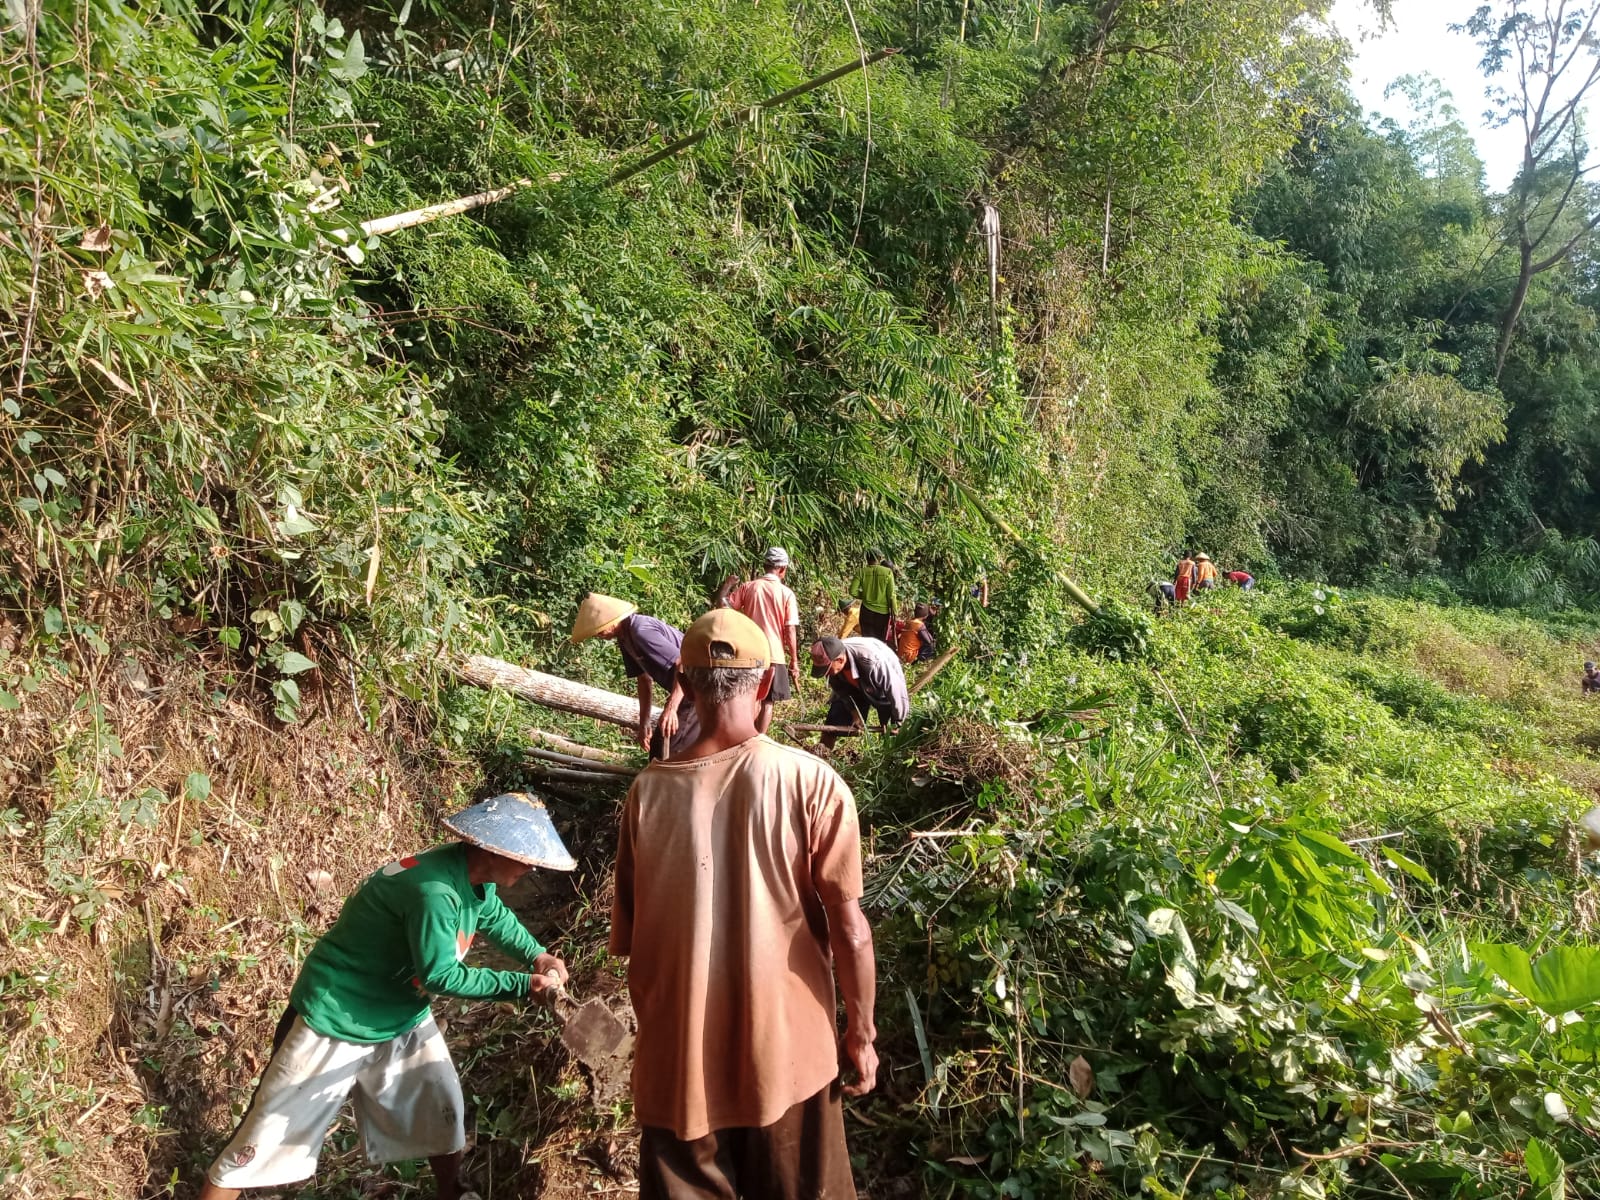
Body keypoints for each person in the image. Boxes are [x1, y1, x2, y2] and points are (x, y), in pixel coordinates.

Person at [610, 609, 877, 1200]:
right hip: (788, 1065)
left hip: (679, 1076)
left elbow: (634, 943)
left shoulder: (646, 794)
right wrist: (861, 1034)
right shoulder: (814, 783)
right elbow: (850, 930)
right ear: (762, 686)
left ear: (687, 683)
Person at [198, 795, 574, 1200]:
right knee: (262, 1136)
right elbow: (440, 975)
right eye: (526, 857)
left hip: (399, 1011)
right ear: (495, 851)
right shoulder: (433, 892)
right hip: (337, 1014)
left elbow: (493, 915)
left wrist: (537, 955)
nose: (532, 866)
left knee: (441, 1108)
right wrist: (522, 986)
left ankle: (454, 1191)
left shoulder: (469, 875)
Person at [570, 593, 699, 759]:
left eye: (600, 629)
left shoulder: (641, 631)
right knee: (658, 746)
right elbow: (643, 679)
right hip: (685, 690)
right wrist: (644, 723)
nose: (598, 634)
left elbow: (684, 663)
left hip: (698, 686)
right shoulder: (625, 639)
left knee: (674, 750)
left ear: (613, 620)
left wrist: (671, 709)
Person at [716, 547, 802, 735]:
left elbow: (724, 607)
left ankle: (744, 736)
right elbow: (790, 629)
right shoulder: (786, 593)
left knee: (751, 697)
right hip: (773, 653)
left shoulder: (749, 587)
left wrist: (727, 586)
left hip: (749, 652)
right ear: (782, 569)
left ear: (765, 565)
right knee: (767, 702)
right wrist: (794, 659)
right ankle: (759, 738)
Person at [810, 635, 910, 750]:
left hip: (880, 686)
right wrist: (855, 712)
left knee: (889, 729)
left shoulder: (873, 662)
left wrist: (899, 722)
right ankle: (823, 756)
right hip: (852, 685)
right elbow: (841, 690)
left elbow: (897, 692)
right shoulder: (832, 662)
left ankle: (889, 756)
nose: (826, 674)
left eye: (827, 669)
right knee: (832, 726)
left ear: (840, 660)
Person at [849, 551, 897, 644]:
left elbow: (852, 591)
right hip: (882, 614)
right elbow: (891, 595)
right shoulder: (887, 572)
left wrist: (865, 596)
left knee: (867, 640)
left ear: (867, 559)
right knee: (879, 642)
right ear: (879, 559)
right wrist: (894, 612)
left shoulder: (861, 572)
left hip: (866, 611)